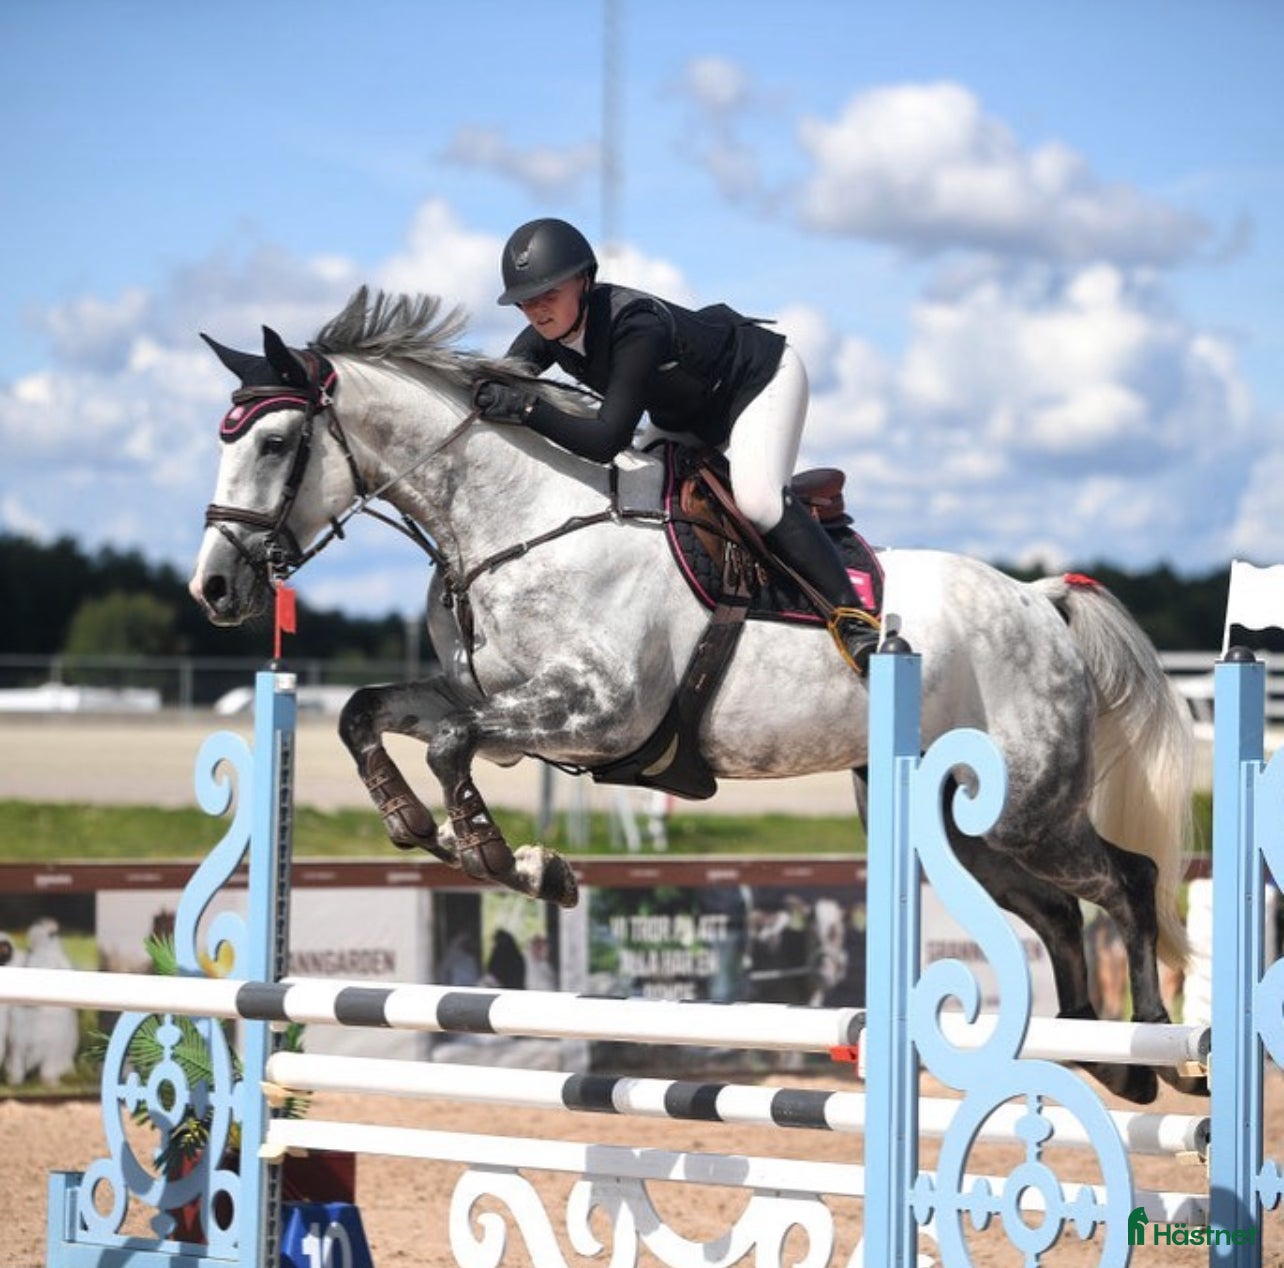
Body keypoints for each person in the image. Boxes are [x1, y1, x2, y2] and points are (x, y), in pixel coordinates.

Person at [472, 217, 878, 672]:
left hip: (757, 384)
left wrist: (528, 410)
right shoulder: (547, 334)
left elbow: (606, 439)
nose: (538, 311)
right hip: (685, 417)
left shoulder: (636, 328)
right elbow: (494, 383)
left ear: (584, 281)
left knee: (759, 500)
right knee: (633, 499)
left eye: (549, 295)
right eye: (526, 303)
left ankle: (854, 618)